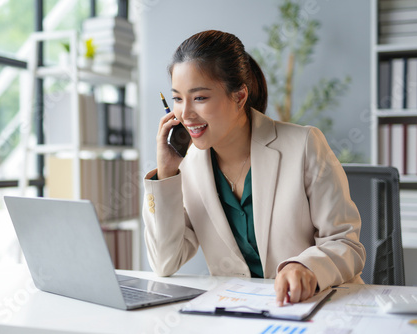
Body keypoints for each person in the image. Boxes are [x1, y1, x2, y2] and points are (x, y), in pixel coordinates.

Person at [142, 30, 366, 306]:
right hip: (242, 311)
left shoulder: (304, 144)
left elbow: (347, 244)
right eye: (177, 99)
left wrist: (306, 267)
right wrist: (165, 173)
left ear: (239, 96)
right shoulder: (187, 166)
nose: (185, 114)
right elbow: (165, 262)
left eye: (199, 98)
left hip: (318, 308)